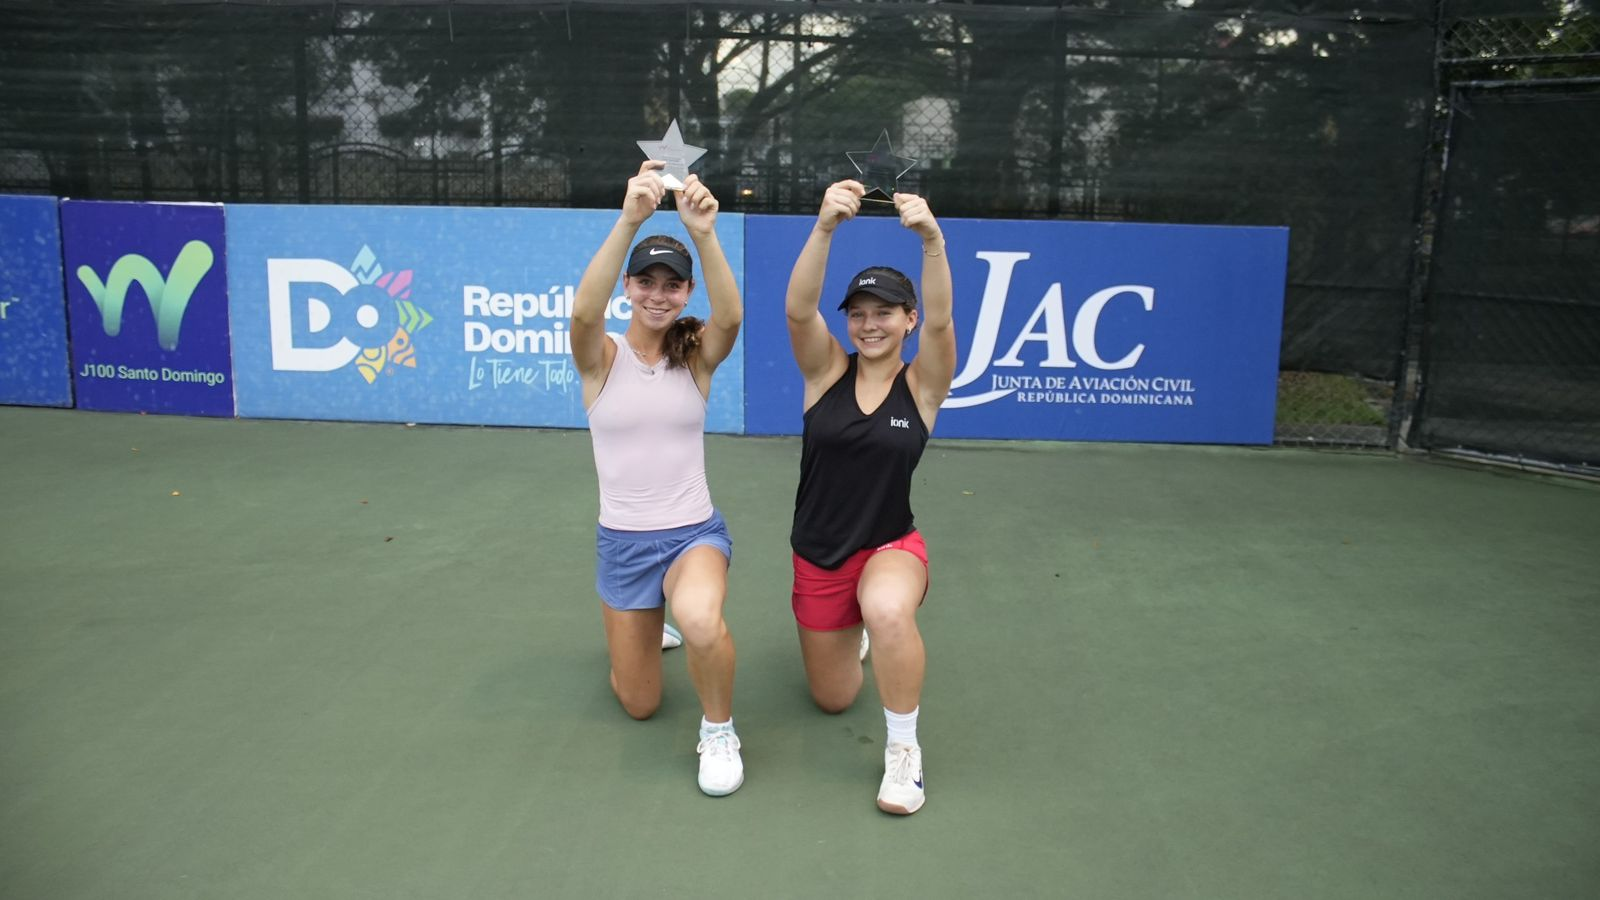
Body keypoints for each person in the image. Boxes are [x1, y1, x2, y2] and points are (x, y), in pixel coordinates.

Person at [571, 161, 745, 796]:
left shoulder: (694, 357)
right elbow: (584, 315)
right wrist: (629, 219)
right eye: (646, 281)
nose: (658, 294)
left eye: (673, 285)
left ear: (686, 292)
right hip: (623, 544)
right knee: (639, 702)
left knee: (702, 618)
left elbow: (731, 317)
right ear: (629, 286)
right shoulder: (600, 359)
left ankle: (720, 731)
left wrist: (704, 233)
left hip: (691, 534)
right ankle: (641, 626)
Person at [783, 179, 955, 815]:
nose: (869, 322)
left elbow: (942, 318)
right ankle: (855, 631)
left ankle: (903, 753)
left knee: (886, 608)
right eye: (858, 312)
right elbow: (800, 311)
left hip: (890, 544)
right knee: (833, 697)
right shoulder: (826, 370)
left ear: (907, 320)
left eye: (884, 311)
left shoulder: (924, 384)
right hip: (819, 553)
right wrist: (825, 227)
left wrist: (931, 241)